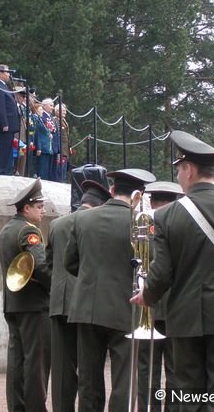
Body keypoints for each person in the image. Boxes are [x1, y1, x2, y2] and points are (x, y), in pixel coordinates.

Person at [131, 131, 214, 409]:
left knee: (187, 394)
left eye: (180, 170)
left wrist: (148, 296)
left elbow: (162, 272)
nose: (179, 176)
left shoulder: (167, 215)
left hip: (184, 316)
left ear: (190, 170)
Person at [64, 168, 156, 412]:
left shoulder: (82, 218)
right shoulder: (141, 222)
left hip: (86, 307)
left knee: (88, 379)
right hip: (126, 306)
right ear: (139, 193)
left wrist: (91, 280)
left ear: (112, 190)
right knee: (124, 379)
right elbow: (149, 265)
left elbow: (69, 263)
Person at [46, 179, 111, 412]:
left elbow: (49, 263)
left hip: (59, 302)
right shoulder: (95, 223)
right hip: (86, 303)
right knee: (88, 369)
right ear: (100, 205)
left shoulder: (56, 224)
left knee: (62, 368)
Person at [0, 178, 51, 412]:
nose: (43, 211)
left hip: (13, 305)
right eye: (39, 207)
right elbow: (40, 265)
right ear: (26, 208)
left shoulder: (6, 230)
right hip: (33, 305)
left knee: (16, 362)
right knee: (36, 363)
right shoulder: (29, 230)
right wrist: (55, 286)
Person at [136, 181, 183, 412]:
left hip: (147, 305)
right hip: (175, 306)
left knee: (147, 367)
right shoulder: (181, 225)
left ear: (153, 201)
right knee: (174, 368)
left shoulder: (140, 226)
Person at [0, 65, 20, 175]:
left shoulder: (3, 85)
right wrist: (4, 123)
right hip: (4, 125)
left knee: (7, 150)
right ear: (0, 73)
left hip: (10, 125)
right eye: (7, 72)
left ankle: (5, 171)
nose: (9, 74)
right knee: (2, 150)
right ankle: (0, 172)